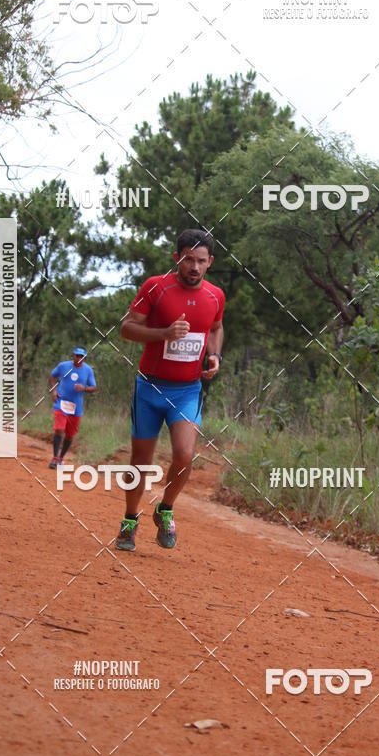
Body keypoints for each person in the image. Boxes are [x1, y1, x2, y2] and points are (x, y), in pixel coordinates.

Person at [116, 228, 225, 552]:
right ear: (177, 258)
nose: (194, 267)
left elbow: (217, 329)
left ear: (210, 263)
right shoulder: (155, 287)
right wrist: (163, 333)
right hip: (149, 389)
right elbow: (126, 328)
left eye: (201, 261)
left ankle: (165, 508)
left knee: (184, 454)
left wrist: (215, 356)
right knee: (141, 462)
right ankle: (130, 519)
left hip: (187, 391)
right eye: (188, 259)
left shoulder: (215, 296)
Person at [48, 347, 96, 469]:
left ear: (84, 358)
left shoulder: (88, 370)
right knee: (59, 429)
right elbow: (52, 376)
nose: (79, 359)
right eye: (77, 356)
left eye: (82, 357)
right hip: (61, 403)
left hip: (76, 408)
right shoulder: (63, 366)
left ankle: (61, 458)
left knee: (70, 435)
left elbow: (93, 387)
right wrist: (53, 391)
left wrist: (84, 388)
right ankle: (55, 458)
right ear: (73, 356)